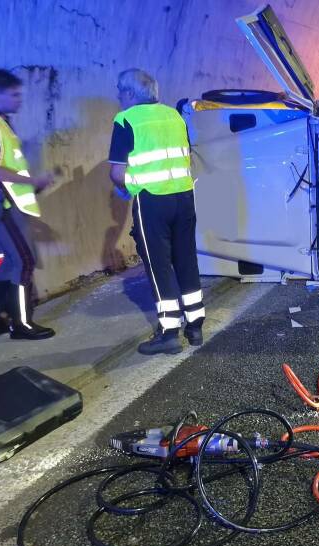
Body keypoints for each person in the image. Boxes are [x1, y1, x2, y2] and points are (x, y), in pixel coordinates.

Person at [108, 69, 205, 355]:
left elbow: (117, 172)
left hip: (152, 201)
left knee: (158, 264)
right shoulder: (174, 116)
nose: (118, 96)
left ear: (129, 93)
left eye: (119, 91)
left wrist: (127, 187)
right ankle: (195, 326)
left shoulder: (126, 119)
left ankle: (169, 332)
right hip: (184, 197)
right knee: (186, 259)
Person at [0, 69, 56, 340]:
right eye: (14, 94)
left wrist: (32, 183)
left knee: (7, 266)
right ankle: (22, 324)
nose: (20, 99)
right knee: (23, 261)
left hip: (2, 204)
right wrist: (31, 180)